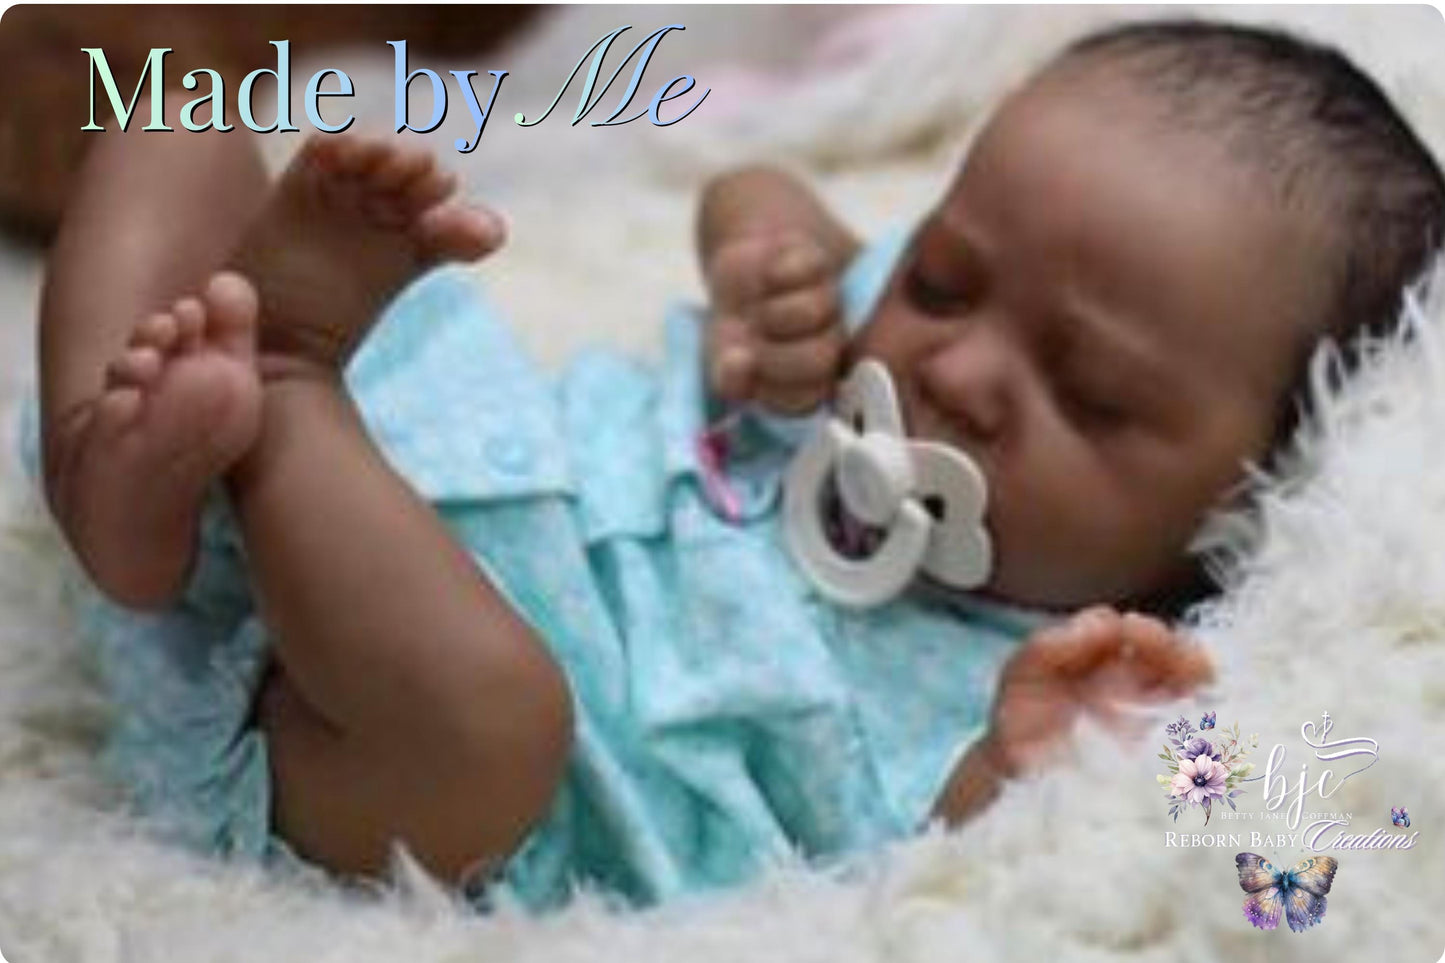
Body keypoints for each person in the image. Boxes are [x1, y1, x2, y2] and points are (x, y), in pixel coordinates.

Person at [23, 19, 1444, 909]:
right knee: (173, 112)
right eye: (944, 280)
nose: (952, 364)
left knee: (492, 711)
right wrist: (772, 257)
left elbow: (1291, 877)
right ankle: (123, 468)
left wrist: (1009, 782)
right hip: (426, 446)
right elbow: (759, 191)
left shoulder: (1085, 682)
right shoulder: (882, 327)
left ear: (1249, 498)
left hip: (392, 759)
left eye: (1082, 391)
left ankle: (278, 385)